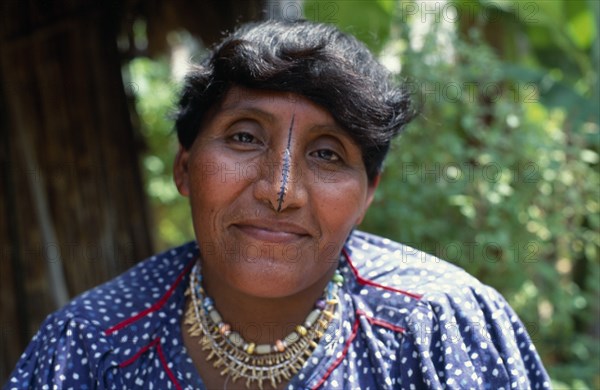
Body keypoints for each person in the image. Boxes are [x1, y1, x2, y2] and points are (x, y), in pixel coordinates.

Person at [4, 19, 550, 390]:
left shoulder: (440, 328)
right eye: (244, 137)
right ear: (184, 168)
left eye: (329, 154)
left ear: (367, 196)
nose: (280, 190)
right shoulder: (89, 348)